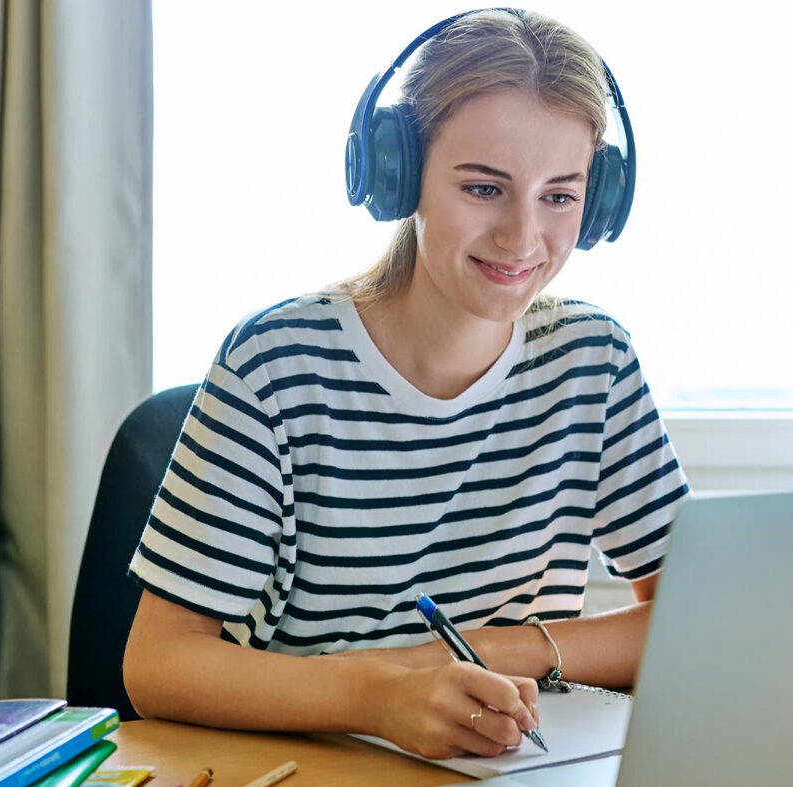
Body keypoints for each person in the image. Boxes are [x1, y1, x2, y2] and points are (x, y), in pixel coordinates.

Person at [122, 8, 689, 760]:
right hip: (321, 763)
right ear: (398, 175)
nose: (523, 238)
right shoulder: (277, 365)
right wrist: (380, 694)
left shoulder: (596, 362)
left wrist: (502, 650)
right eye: (484, 189)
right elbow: (157, 662)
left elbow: (692, 618)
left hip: (513, 766)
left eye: (559, 195)